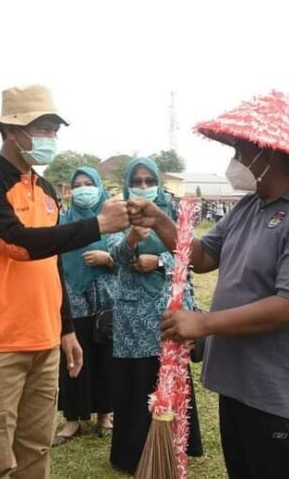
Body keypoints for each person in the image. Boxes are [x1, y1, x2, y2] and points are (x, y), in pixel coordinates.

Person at [128, 91, 289, 478]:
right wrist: (160, 220)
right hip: (236, 381)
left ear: (270, 153)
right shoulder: (250, 205)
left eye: (241, 149)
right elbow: (203, 256)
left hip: (276, 391)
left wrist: (205, 323)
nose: (235, 160)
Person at [0, 84, 129, 479]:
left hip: (44, 341)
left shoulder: (45, 189)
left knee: (34, 452)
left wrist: (65, 328)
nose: (50, 138)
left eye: (54, 129)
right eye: (43, 128)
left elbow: (51, 263)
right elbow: (16, 244)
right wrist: (98, 224)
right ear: (12, 131)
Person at [108, 157, 203, 474]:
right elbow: (115, 257)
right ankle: (132, 453)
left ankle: (175, 445)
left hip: (167, 307)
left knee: (170, 374)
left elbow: (189, 252)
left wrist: (158, 261)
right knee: (135, 381)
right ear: (128, 183)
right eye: (138, 180)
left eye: (150, 180)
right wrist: (132, 237)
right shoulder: (117, 213)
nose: (144, 186)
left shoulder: (171, 212)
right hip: (132, 315)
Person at [53, 167, 116, 445]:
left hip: (106, 300)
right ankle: (72, 419)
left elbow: (130, 257)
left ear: (99, 186)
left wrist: (109, 258)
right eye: (77, 184)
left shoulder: (114, 222)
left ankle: (104, 415)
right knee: (72, 359)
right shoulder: (62, 222)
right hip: (72, 299)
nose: (82, 189)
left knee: (104, 356)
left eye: (88, 183)